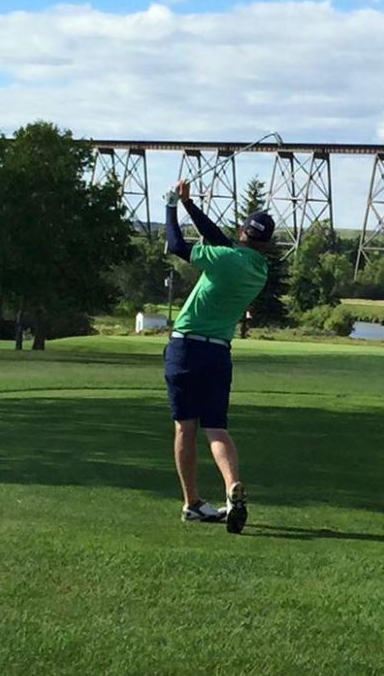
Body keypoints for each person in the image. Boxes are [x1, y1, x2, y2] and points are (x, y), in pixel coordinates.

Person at [164, 179, 275, 534]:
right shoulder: (258, 269)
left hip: (186, 347)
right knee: (216, 427)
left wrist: (169, 206)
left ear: (242, 230)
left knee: (185, 426)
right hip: (219, 354)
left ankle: (192, 502)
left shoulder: (226, 258)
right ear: (265, 242)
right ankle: (231, 487)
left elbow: (176, 244)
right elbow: (220, 241)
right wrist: (190, 204)